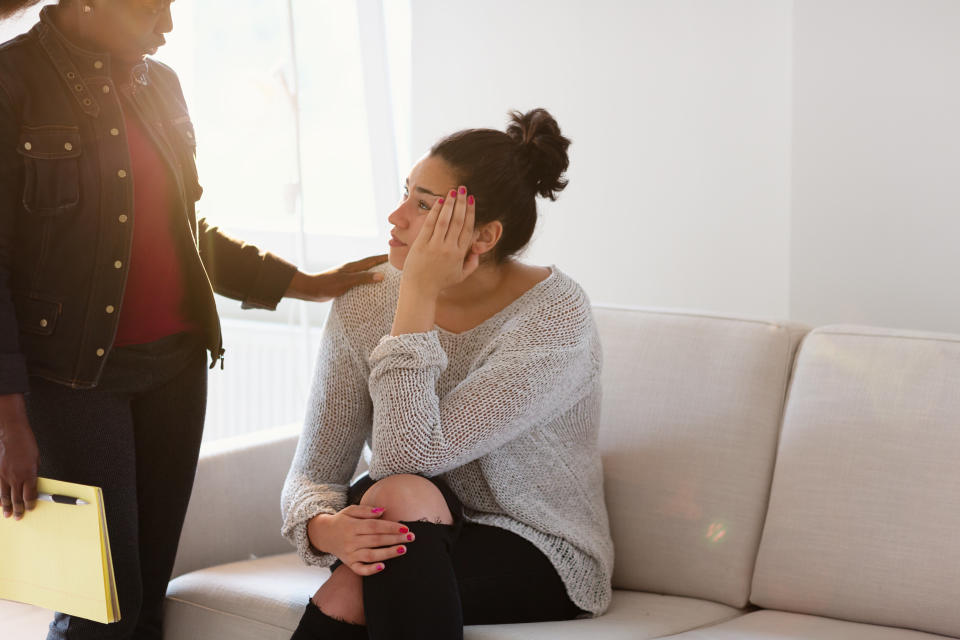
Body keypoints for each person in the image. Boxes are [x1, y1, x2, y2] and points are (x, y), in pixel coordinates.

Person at [0, 1, 386, 638]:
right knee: (103, 604)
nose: (169, 26)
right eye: (153, 8)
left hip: (177, 370)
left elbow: (183, 229)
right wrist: (9, 420)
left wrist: (300, 284)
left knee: (151, 594)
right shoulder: (12, 83)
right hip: (74, 383)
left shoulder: (161, 83)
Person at [281, 107, 614, 639]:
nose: (395, 216)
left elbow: (408, 458)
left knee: (365, 562)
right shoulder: (363, 301)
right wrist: (326, 531)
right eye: (404, 192)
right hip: (411, 517)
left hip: (535, 545)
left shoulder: (555, 317)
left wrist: (416, 296)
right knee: (392, 509)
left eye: (422, 205)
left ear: (481, 238)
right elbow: (314, 471)